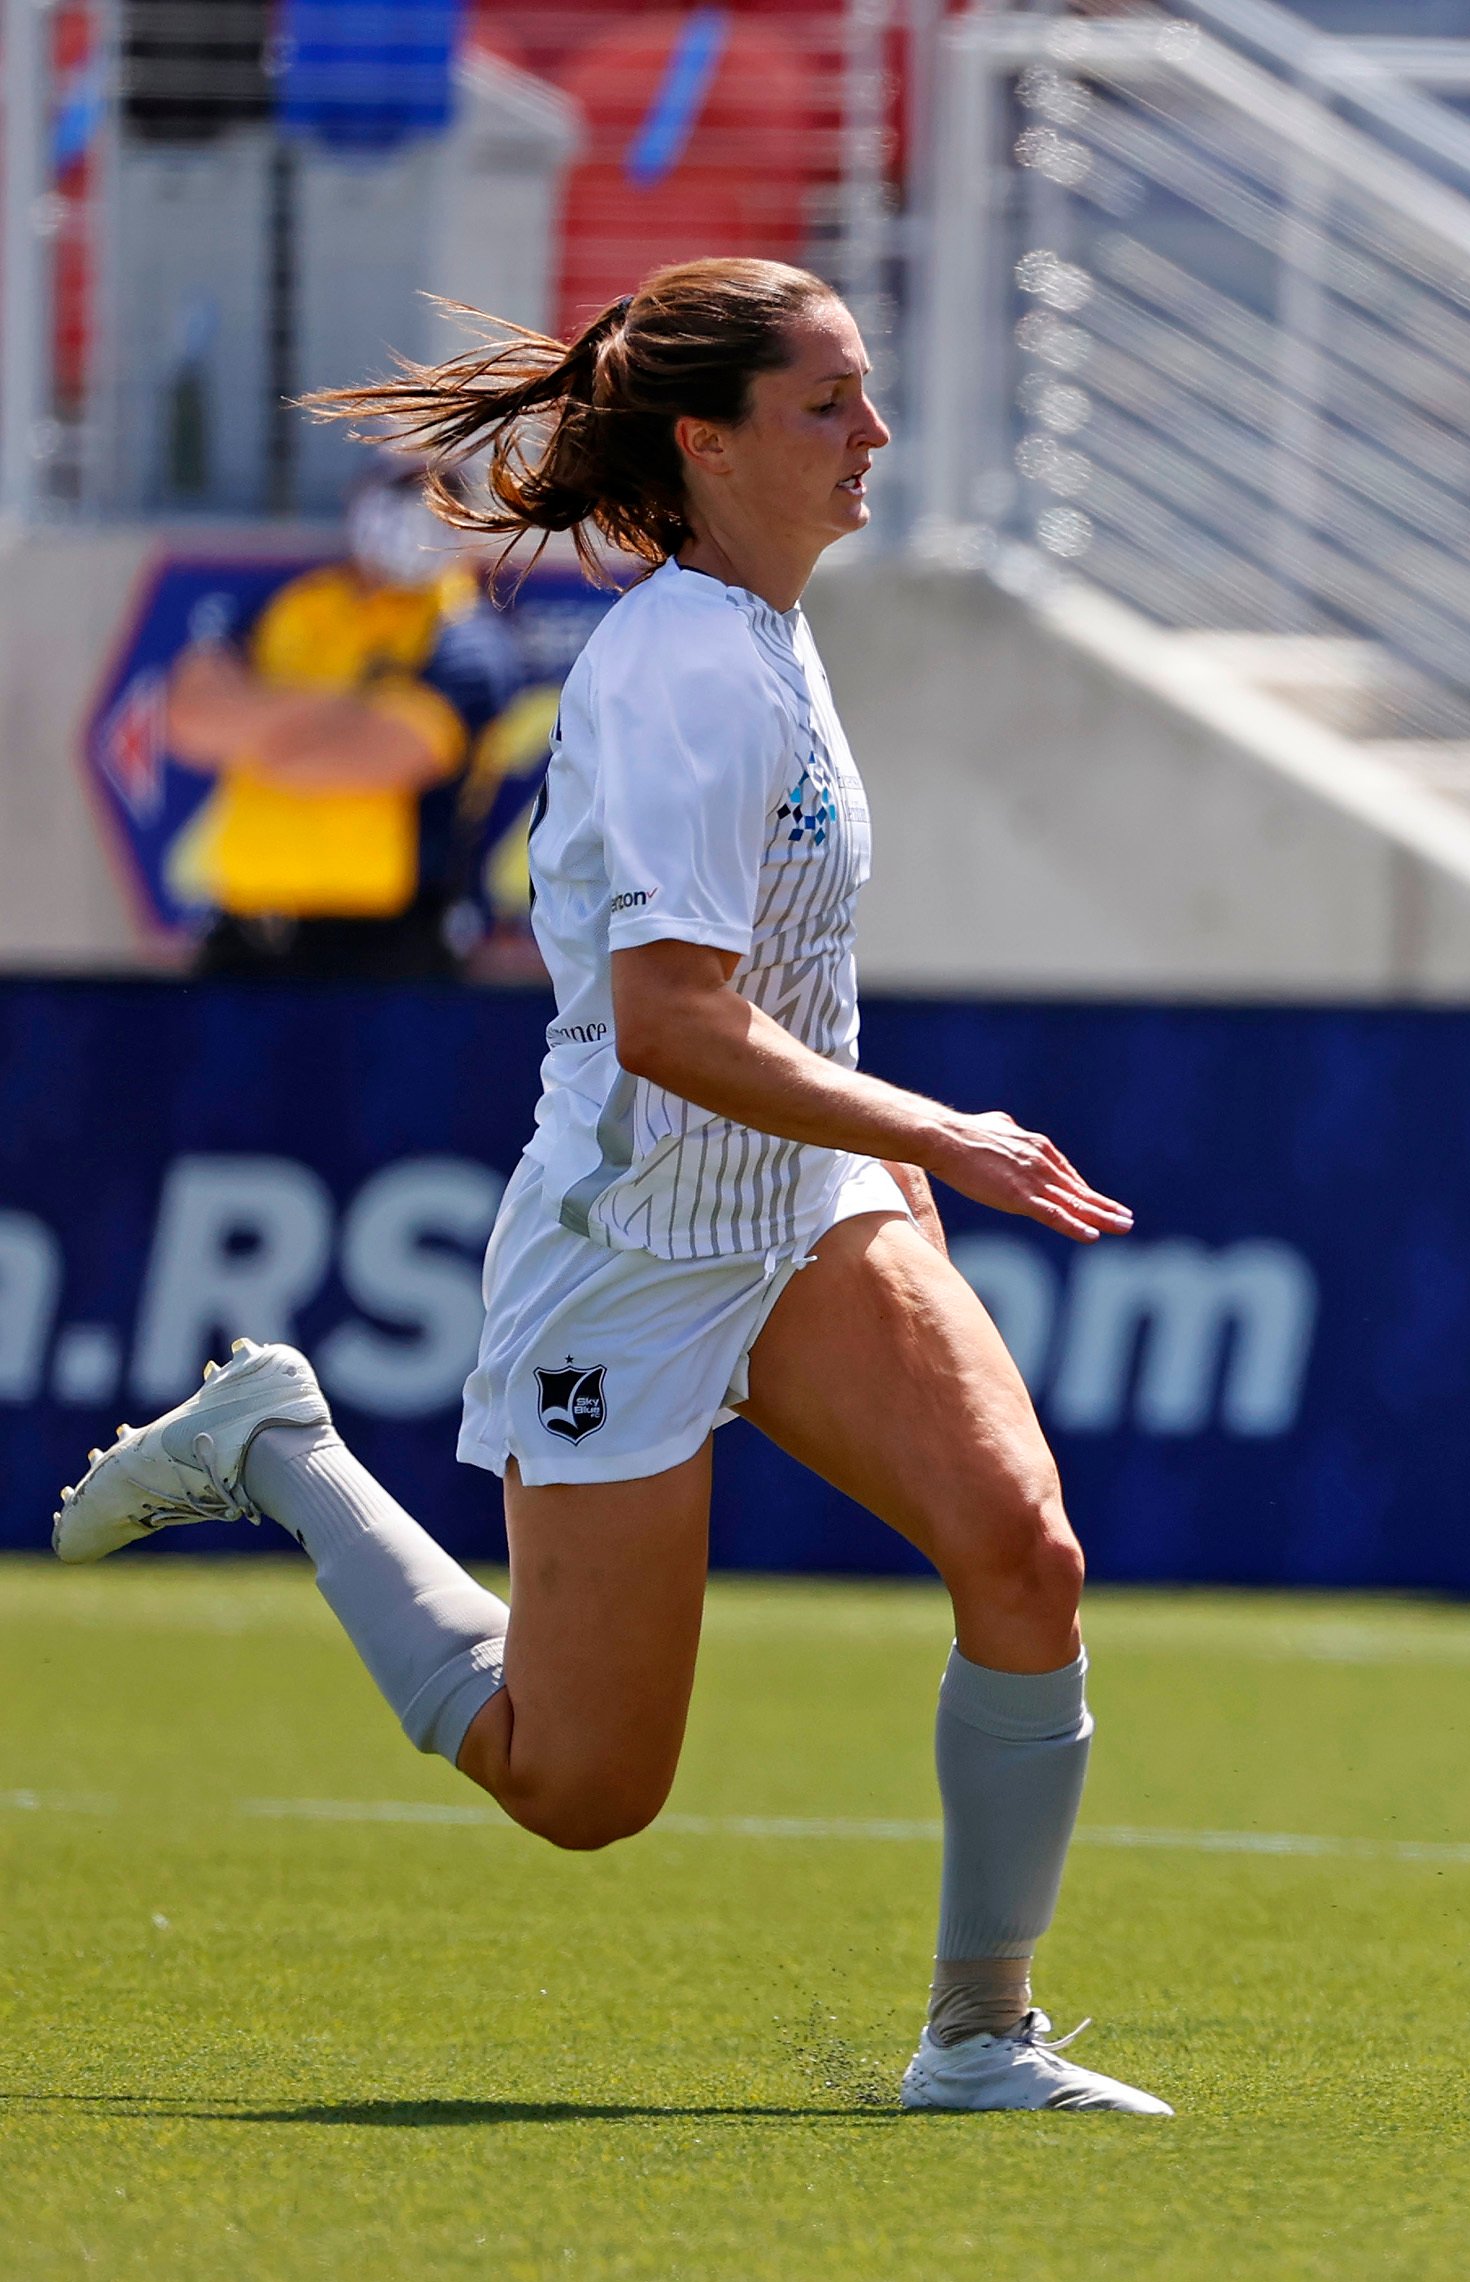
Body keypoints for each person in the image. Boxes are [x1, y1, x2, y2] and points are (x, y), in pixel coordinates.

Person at [49, 257, 1169, 2116]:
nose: (873, 434)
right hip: (630, 1242)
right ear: (705, 446)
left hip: (804, 1213)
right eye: (827, 404)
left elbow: (781, 993)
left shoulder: (771, 633)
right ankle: (282, 1451)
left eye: (865, 393)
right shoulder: (673, 675)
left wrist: (889, 1177)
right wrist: (929, 1129)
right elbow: (665, 1024)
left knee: (1026, 1554)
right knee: (582, 1786)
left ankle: (980, 2036)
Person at [163, 448, 525, 980]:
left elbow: (368, 759)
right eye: (403, 491)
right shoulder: (292, 605)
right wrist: (352, 704)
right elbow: (190, 719)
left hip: (385, 944)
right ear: (361, 496)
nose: (420, 512)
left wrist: (254, 725)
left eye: (445, 497)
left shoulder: (469, 642)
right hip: (243, 931)